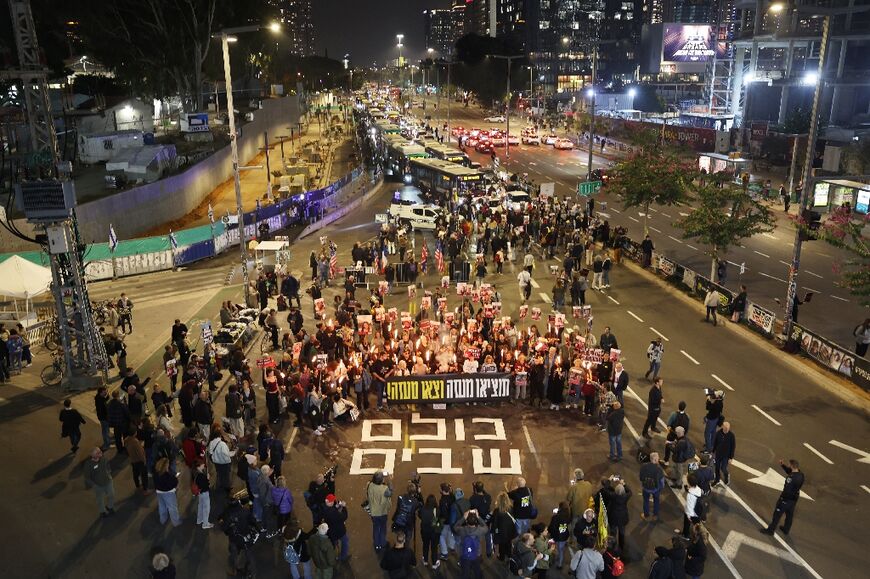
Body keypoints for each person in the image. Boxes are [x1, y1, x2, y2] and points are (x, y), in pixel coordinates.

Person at [760, 459, 804, 536]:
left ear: (792, 466)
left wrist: (782, 499)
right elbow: (789, 471)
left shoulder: (791, 478)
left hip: (786, 500)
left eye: (789, 465)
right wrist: (782, 465)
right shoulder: (801, 475)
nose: (789, 466)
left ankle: (770, 530)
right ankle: (786, 529)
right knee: (789, 515)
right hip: (794, 499)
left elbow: (787, 490)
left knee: (777, 515)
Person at [453, 509, 487, 578]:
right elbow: (486, 527)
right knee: (477, 571)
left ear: (466, 521)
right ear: (476, 521)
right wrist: (478, 517)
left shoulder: (462, 529)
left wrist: (463, 517)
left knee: (465, 572)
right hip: (477, 554)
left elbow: (455, 527)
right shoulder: (480, 530)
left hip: (464, 554)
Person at [82, 447, 115, 518]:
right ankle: (102, 511)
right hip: (98, 485)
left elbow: (108, 466)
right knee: (100, 499)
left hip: (108, 481)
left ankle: (110, 507)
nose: (101, 453)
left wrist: (109, 474)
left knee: (111, 495)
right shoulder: (88, 464)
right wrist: (94, 485)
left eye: (100, 451)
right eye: (98, 453)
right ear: (93, 455)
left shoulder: (104, 459)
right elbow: (87, 477)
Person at [366, 470, 393, 552]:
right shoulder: (384, 489)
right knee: (382, 528)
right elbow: (391, 491)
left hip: (373, 512)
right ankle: (382, 543)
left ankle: (377, 545)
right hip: (382, 512)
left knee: (376, 528)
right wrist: (389, 479)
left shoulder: (370, 485)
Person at [154, 457, 183, 527]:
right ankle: (176, 522)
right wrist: (176, 478)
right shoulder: (168, 475)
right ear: (166, 466)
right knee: (172, 508)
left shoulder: (156, 473)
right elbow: (174, 483)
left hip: (159, 492)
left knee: (162, 506)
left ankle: (163, 519)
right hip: (168, 493)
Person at [605, 479, 631, 551]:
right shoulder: (625, 497)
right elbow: (630, 492)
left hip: (613, 517)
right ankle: (621, 546)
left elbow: (606, 489)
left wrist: (609, 480)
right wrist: (624, 484)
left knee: (613, 532)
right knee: (622, 532)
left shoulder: (612, 496)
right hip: (622, 518)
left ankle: (612, 546)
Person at [322, 494, 350, 561]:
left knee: (333, 544)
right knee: (345, 541)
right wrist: (344, 507)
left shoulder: (324, 508)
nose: (334, 502)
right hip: (339, 531)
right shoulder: (332, 512)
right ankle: (342, 557)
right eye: (332, 501)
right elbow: (344, 517)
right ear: (330, 502)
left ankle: (332, 557)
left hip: (331, 532)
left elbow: (332, 510)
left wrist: (336, 507)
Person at [640, 452, 666, 521]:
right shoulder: (659, 470)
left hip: (646, 488)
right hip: (655, 489)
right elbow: (662, 482)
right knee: (656, 501)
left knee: (646, 501)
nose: (658, 459)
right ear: (654, 459)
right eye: (658, 458)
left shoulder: (644, 466)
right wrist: (660, 488)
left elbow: (641, 478)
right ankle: (655, 515)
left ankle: (646, 515)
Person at [676, 473, 703, 539]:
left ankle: (686, 536)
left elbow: (690, 507)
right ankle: (697, 536)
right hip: (698, 512)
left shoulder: (690, 494)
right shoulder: (699, 489)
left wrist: (688, 516)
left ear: (689, 483)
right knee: (697, 525)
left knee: (687, 525)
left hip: (692, 513)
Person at [124, 427, 149, 494]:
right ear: (134, 433)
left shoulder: (126, 440)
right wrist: (144, 460)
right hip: (139, 461)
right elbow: (140, 453)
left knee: (135, 473)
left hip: (133, 460)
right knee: (144, 475)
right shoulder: (135, 442)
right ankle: (145, 489)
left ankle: (137, 485)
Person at [548, 502, 572, 570]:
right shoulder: (568, 517)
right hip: (564, 536)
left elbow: (552, 527)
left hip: (556, 536)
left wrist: (549, 532)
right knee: (561, 550)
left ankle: (553, 560)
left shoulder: (555, 517)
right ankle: (560, 564)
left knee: (554, 548)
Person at [419, 494, 441, 568]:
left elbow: (420, 516)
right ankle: (434, 563)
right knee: (434, 547)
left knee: (425, 545)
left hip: (425, 531)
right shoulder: (436, 510)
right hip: (434, 532)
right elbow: (437, 520)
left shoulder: (423, 509)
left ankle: (425, 560)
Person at [712, 421, 736, 486]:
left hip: (726, 456)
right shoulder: (718, 433)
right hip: (718, 454)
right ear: (723, 427)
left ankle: (726, 475)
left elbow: (733, 447)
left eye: (728, 428)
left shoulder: (731, 436)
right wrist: (713, 451)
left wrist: (731, 458)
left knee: (723, 468)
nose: (727, 430)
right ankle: (717, 479)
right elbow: (715, 443)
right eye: (726, 428)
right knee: (717, 467)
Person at [193, 460, 213, 529]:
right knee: (206, 508)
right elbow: (204, 485)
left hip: (200, 493)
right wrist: (207, 479)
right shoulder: (200, 475)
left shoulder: (196, 473)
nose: (204, 465)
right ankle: (205, 524)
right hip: (204, 493)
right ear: (198, 466)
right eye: (202, 464)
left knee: (200, 506)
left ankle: (199, 520)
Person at [94, 387, 112, 451]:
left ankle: (108, 441)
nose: (106, 393)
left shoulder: (99, 397)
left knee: (106, 430)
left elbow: (104, 400)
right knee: (105, 431)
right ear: (101, 392)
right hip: (104, 418)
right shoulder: (100, 401)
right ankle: (107, 444)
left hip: (102, 417)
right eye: (105, 392)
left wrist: (107, 397)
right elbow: (104, 409)